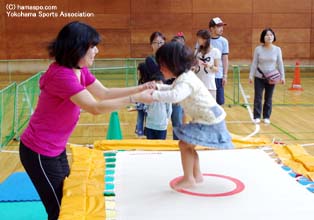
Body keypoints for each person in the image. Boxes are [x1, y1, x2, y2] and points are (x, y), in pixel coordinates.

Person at [19, 21, 153, 220]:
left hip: (56, 149)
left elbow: (104, 93)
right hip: (39, 152)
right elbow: (95, 107)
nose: (96, 51)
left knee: (69, 202)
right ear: (77, 48)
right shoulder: (62, 75)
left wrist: (139, 88)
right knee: (60, 210)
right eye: (93, 46)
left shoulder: (79, 71)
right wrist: (134, 99)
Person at [141, 42, 233, 190]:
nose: (160, 68)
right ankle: (196, 175)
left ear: (173, 64)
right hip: (208, 118)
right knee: (188, 145)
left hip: (209, 120)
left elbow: (176, 95)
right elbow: (172, 88)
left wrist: (154, 95)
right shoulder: (184, 77)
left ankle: (189, 178)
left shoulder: (186, 81)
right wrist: (158, 86)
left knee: (185, 144)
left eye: (162, 64)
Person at [249, 28, 285, 124]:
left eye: (271, 35)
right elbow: (254, 63)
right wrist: (251, 76)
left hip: (271, 78)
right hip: (259, 77)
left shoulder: (277, 49)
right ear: (263, 37)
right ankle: (256, 116)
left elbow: (280, 63)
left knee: (268, 98)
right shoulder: (258, 49)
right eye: (267, 35)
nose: (269, 37)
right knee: (258, 97)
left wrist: (283, 76)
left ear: (273, 37)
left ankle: (266, 116)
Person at [134, 32, 166, 137]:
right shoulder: (149, 60)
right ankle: (140, 131)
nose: (159, 45)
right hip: (156, 95)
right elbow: (156, 76)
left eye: (161, 42)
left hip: (170, 94)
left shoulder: (169, 59)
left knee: (176, 122)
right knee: (151, 121)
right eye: (156, 42)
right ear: (151, 44)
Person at [194, 29, 221, 99]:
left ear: (205, 39)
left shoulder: (215, 51)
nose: (197, 40)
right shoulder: (197, 51)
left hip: (209, 85)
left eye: (199, 38)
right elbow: (194, 67)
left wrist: (209, 66)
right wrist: (194, 68)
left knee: (211, 108)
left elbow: (217, 69)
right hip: (198, 84)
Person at [144, 73, 172, 139]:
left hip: (161, 125)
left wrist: (167, 120)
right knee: (150, 146)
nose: (157, 85)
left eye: (159, 82)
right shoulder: (149, 94)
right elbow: (146, 107)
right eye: (155, 83)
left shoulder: (166, 94)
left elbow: (169, 109)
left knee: (160, 146)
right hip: (150, 124)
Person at [209, 17, 229, 105]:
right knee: (208, 101)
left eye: (222, 26)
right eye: (218, 26)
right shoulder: (205, 40)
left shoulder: (224, 41)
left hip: (218, 75)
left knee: (220, 102)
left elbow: (225, 59)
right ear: (212, 28)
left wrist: (225, 75)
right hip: (206, 76)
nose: (221, 28)